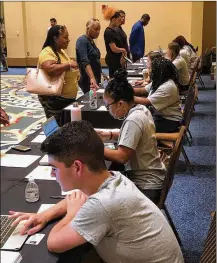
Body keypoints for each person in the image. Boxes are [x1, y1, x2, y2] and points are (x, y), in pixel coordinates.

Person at [9, 120, 184, 263]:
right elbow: (80, 196)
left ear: (77, 167)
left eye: (55, 168)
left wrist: (72, 213)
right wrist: (45, 215)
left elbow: (54, 243)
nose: (51, 173)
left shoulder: (103, 204)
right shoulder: (113, 178)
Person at [98, 68, 166, 204]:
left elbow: (121, 157)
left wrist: (94, 148)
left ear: (121, 103)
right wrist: (110, 134)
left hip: (146, 185)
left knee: (99, 194)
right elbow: (134, 136)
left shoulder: (133, 120)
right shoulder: (141, 110)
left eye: (108, 105)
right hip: (152, 177)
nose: (108, 110)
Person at [38, 25, 79, 126]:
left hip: (65, 100)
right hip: (55, 101)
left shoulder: (61, 51)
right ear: (55, 38)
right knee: (56, 132)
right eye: (65, 37)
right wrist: (69, 64)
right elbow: (50, 69)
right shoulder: (47, 52)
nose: (68, 40)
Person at [134, 57, 183, 133]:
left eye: (151, 69)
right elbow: (142, 91)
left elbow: (146, 101)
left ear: (159, 71)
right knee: (137, 120)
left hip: (169, 121)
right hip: (161, 116)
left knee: (137, 126)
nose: (149, 71)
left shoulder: (167, 86)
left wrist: (127, 96)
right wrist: (127, 89)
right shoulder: (160, 81)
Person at [76, 19, 101, 94]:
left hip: (95, 76)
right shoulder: (82, 41)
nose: (98, 32)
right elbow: (85, 61)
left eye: (99, 29)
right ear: (88, 29)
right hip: (87, 78)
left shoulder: (91, 41)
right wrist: (92, 78)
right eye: (96, 29)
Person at [103, 7, 127, 77]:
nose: (120, 22)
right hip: (113, 60)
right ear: (113, 20)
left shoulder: (114, 30)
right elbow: (114, 48)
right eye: (118, 20)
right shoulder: (108, 32)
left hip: (117, 60)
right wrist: (123, 50)